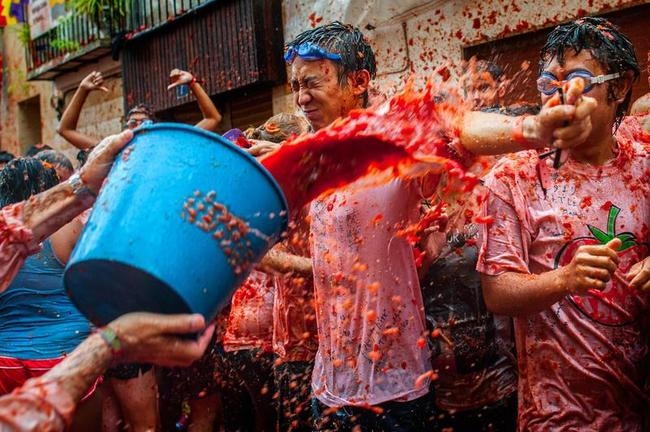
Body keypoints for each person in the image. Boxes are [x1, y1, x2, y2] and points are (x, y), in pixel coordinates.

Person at [283, 20, 596, 431]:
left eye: (311, 83)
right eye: (294, 86)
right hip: (326, 387)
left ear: (358, 81)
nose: (301, 97)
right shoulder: (315, 155)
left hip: (392, 393)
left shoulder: (394, 137)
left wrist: (532, 128)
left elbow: (459, 130)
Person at [477, 17, 650, 431]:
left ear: (621, 86)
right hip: (554, 416)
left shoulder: (645, 166)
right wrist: (565, 279)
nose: (562, 97)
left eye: (578, 80)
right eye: (549, 85)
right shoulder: (512, 177)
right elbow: (497, 292)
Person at [0, 129, 216, 430]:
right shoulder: (75, 230)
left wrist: (83, 184)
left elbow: (14, 233)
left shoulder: (35, 233)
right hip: (74, 351)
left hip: (9, 362)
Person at [57, 69, 221, 152]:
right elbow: (65, 130)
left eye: (144, 123)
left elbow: (212, 119)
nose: (137, 127)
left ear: (155, 128)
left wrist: (192, 82)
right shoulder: (114, 151)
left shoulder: (168, 146)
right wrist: (82, 89)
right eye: (132, 123)